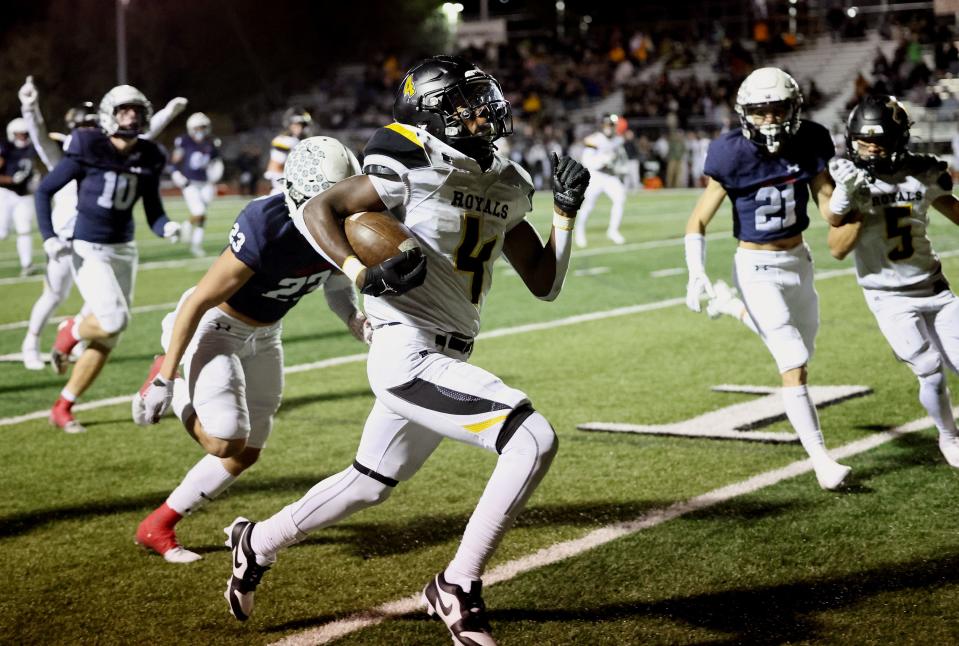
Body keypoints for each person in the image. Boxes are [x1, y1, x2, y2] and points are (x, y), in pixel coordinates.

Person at [215, 55, 589, 645]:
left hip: (449, 353)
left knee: (369, 482)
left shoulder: (507, 181)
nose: (479, 113)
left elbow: (544, 282)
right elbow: (319, 209)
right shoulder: (408, 161)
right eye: (461, 105)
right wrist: (356, 274)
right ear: (429, 115)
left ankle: (255, 541)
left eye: (480, 99)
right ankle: (457, 585)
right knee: (531, 437)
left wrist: (565, 218)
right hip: (406, 353)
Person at [132, 136, 369, 563]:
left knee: (250, 449)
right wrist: (167, 379)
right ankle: (174, 372)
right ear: (301, 191)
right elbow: (199, 300)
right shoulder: (268, 224)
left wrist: (352, 316)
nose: (339, 209)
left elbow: (334, 284)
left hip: (267, 332)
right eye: (330, 199)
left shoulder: (347, 219)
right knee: (225, 442)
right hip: (217, 327)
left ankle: (159, 524)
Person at [684, 67, 852, 490]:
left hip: (799, 260)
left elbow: (829, 209)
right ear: (745, 113)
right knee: (792, 362)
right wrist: (695, 271)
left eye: (779, 109)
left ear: (794, 109)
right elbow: (699, 218)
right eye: (761, 112)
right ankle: (821, 459)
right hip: (756, 267)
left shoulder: (811, 139)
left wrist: (845, 194)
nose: (771, 120)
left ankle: (731, 306)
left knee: (803, 349)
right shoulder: (730, 153)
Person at [36, 84, 181, 434]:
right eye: (123, 110)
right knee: (114, 320)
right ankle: (69, 329)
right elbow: (44, 190)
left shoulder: (150, 155)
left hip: (124, 250)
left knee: (107, 338)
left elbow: (153, 210)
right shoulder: (89, 144)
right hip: (88, 247)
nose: (130, 116)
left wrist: (167, 227)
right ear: (109, 115)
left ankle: (63, 405)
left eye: (136, 111)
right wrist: (49, 237)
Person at [827, 94, 959, 468]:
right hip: (888, 297)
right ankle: (949, 438)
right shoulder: (849, 179)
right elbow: (836, 247)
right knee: (930, 372)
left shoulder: (924, 172)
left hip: (934, 287)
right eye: (862, 142)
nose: (869, 150)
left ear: (899, 139)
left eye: (878, 142)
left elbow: (954, 211)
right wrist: (848, 201)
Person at [171, 112, 223, 257]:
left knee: (203, 215)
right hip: (190, 183)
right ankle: (186, 226)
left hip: (206, 183)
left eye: (203, 127)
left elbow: (215, 162)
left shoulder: (212, 142)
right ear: (191, 128)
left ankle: (196, 244)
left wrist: (216, 175)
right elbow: (176, 160)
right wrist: (176, 173)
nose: (201, 130)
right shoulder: (184, 141)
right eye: (198, 127)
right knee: (199, 212)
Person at [574, 113, 627, 247]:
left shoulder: (618, 139)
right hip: (595, 175)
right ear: (602, 126)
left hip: (610, 176)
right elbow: (586, 161)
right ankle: (579, 232)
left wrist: (619, 167)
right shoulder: (594, 139)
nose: (609, 128)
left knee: (620, 199)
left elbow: (619, 157)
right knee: (589, 206)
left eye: (612, 125)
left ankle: (613, 231)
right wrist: (603, 160)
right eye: (607, 125)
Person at [0, 117, 38, 277]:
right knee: (2, 232)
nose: (22, 137)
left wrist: (36, 180)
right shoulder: (6, 148)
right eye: (19, 134)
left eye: (25, 134)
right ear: (12, 134)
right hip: (5, 193)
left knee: (24, 230)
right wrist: (10, 180)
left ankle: (27, 264)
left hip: (24, 196)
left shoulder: (32, 148)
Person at [264, 106, 312, 195]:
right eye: (299, 125)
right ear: (290, 125)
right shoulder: (285, 141)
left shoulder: (296, 141)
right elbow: (275, 167)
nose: (303, 129)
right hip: (283, 190)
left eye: (302, 125)